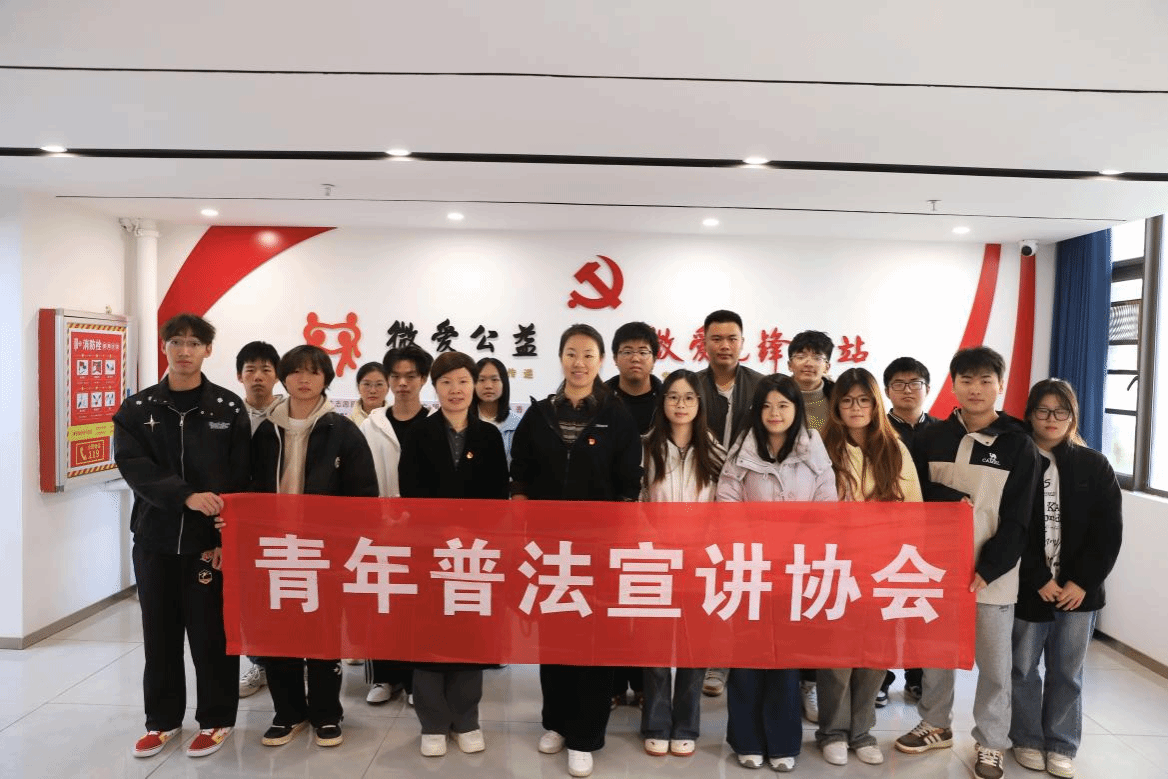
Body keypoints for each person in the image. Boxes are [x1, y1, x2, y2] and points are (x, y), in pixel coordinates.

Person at [894, 346, 1042, 779]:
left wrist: (990, 567)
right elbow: (914, 494)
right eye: (967, 380)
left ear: (1000, 385)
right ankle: (935, 724)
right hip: (936, 568)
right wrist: (949, 499)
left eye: (985, 380)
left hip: (991, 573)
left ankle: (992, 742)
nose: (976, 389)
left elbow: (1020, 516)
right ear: (954, 385)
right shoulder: (931, 437)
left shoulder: (1018, 443)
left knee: (994, 665)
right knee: (936, 653)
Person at [113, 313, 250, 759]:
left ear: (208, 350)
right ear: (164, 347)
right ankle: (163, 721)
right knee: (159, 636)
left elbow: (241, 477)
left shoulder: (228, 408)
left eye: (194, 343)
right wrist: (185, 496)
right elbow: (134, 467)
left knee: (211, 637)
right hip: (154, 540)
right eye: (176, 342)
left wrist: (227, 538)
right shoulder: (137, 410)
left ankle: (216, 719)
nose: (185, 351)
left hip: (207, 545)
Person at [510, 323, 642, 779]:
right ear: (561, 358)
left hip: (597, 550)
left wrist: (615, 539)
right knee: (553, 637)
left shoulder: (616, 416)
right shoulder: (540, 413)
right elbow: (521, 474)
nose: (579, 362)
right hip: (548, 549)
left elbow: (628, 485)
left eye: (588, 354)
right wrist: (523, 523)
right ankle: (556, 722)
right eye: (571, 353)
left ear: (601, 361)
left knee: (592, 642)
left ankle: (585, 735)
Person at [251, 344, 379, 749]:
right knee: (278, 636)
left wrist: (348, 551)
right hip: (274, 551)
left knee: (323, 637)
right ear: (284, 377)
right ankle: (287, 713)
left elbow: (364, 497)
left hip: (323, 553)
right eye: (295, 371)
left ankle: (326, 713)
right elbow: (244, 490)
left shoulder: (342, 430)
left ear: (325, 379)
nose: (304, 379)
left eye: (313, 371)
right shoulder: (264, 431)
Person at [716, 374, 837, 772]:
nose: (774, 413)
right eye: (766, 406)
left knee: (785, 659)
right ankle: (746, 739)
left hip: (795, 568)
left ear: (796, 409)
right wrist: (752, 548)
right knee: (747, 656)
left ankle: (783, 742)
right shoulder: (744, 447)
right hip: (750, 568)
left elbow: (826, 505)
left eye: (783, 405)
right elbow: (727, 500)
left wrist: (796, 551)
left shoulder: (813, 445)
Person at [398, 352, 509, 757]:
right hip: (430, 551)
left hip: (474, 553)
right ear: (435, 388)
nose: (456, 390)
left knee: (469, 633)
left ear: (474, 385)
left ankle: (466, 719)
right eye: (446, 382)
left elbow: (498, 495)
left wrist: (470, 532)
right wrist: (442, 531)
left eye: (463, 381)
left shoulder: (489, 436)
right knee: (428, 632)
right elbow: (411, 491)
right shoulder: (419, 434)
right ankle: (432, 721)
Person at [1010, 379, 1122, 779]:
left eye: (1061, 411)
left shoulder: (1094, 464)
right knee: (1023, 669)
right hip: (1030, 589)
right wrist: (1038, 576)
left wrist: (1082, 582)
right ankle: (1026, 738)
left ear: (1073, 416)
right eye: (1043, 410)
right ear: (1030, 414)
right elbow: (1009, 527)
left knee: (1067, 672)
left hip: (1078, 593)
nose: (1051, 419)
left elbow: (1108, 532)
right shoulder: (1017, 460)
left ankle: (1060, 744)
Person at [818, 367, 923, 766]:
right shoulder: (821, 447)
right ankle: (832, 732)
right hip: (837, 566)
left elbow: (914, 512)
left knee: (876, 656)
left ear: (875, 404)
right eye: (847, 401)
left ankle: (862, 732)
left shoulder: (894, 449)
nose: (856, 408)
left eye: (863, 400)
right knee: (837, 657)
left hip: (884, 567)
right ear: (836, 407)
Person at [638, 369, 726, 759]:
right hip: (655, 560)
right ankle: (656, 723)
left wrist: (706, 549)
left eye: (689, 397)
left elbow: (726, 505)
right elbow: (637, 501)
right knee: (656, 648)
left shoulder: (715, 450)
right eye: (673, 396)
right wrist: (653, 543)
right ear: (662, 403)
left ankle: (686, 724)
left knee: (693, 647)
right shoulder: (645, 447)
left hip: (700, 563)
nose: (680, 404)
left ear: (700, 404)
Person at [359, 344, 433, 705]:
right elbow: (360, 478)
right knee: (383, 602)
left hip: (424, 532)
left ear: (423, 379)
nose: (402, 383)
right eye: (396, 376)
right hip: (381, 531)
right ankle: (384, 677)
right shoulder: (370, 426)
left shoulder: (435, 424)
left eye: (410, 376)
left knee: (420, 605)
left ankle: (418, 679)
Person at [694, 309, 763, 697]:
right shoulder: (690, 385)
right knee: (711, 582)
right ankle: (715, 661)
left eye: (731, 338)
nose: (724, 345)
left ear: (742, 342)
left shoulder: (761, 386)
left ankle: (745, 660)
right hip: (702, 500)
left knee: (743, 579)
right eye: (716, 338)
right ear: (704, 343)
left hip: (749, 501)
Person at [605, 321, 662, 708]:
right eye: (627, 351)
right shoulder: (601, 398)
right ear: (615, 358)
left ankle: (644, 685)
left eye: (643, 351)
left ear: (654, 357)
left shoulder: (668, 399)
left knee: (646, 600)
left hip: (656, 516)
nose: (635, 358)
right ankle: (612, 684)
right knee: (611, 602)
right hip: (611, 514)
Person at [876, 355, 938, 706]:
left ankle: (917, 677)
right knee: (884, 610)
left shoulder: (945, 432)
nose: (907, 390)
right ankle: (881, 679)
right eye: (898, 384)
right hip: (887, 537)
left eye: (915, 383)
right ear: (887, 391)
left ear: (927, 388)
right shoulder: (877, 431)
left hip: (933, 537)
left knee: (921, 611)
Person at [786, 329, 835, 722]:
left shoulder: (840, 398)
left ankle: (811, 682)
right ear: (789, 362)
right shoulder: (775, 394)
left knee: (817, 600)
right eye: (801, 354)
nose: (808, 362)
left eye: (816, 356)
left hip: (826, 510)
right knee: (783, 602)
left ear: (827, 364)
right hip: (781, 512)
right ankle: (784, 678)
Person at [234, 340, 282, 699]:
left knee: (289, 592)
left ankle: (294, 662)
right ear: (240, 376)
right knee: (251, 599)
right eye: (251, 370)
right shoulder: (229, 416)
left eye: (266, 369)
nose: (258, 377)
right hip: (242, 525)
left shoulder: (289, 416)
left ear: (277, 375)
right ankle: (260, 663)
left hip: (284, 523)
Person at [472, 356, 521, 464]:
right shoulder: (463, 421)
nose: (488, 386)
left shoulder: (518, 424)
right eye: (481, 380)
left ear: (504, 383)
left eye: (494, 379)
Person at [349, 361, 389, 426]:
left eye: (379, 384)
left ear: (388, 387)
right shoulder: (347, 424)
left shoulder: (397, 421)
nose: (373, 391)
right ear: (358, 387)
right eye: (367, 384)